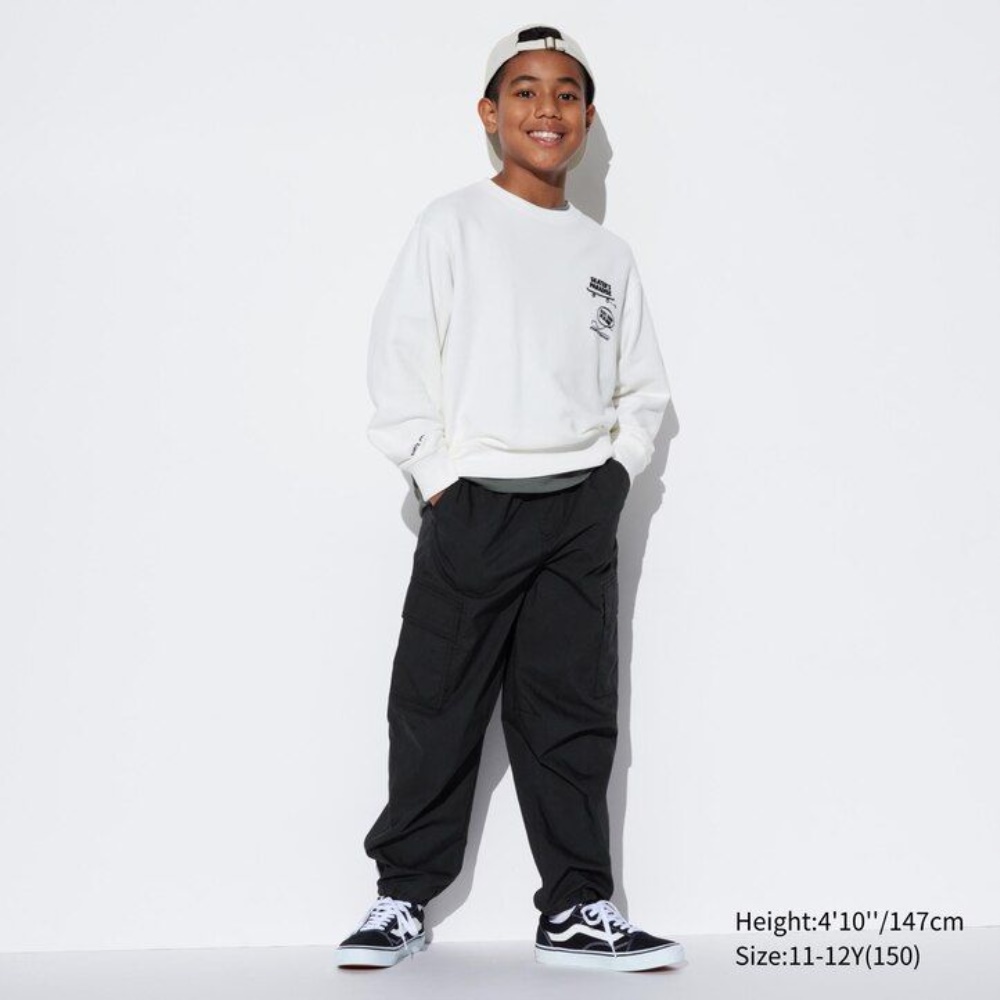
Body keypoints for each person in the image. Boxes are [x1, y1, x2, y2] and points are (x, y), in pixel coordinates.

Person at [336, 24, 684, 973]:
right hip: (475, 504)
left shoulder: (607, 254)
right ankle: (401, 899)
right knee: (435, 704)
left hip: (578, 510)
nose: (547, 109)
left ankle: (577, 908)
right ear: (489, 113)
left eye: (567, 93)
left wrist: (615, 473)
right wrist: (439, 479)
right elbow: (401, 361)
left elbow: (642, 388)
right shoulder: (450, 225)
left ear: (588, 118)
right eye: (525, 91)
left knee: (572, 712)